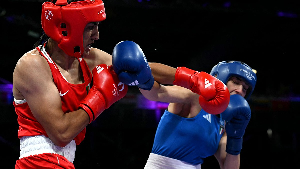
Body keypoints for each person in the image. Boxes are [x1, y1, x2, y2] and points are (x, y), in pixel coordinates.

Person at [12, 0, 127, 168]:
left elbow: (135, 68)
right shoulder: (33, 65)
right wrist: (100, 97)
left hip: (63, 162)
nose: (96, 35)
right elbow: (61, 133)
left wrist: (178, 76)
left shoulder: (88, 59)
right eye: (90, 27)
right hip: (39, 163)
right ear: (66, 27)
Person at [111, 41, 257, 169]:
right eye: (236, 82)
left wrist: (236, 137)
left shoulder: (225, 125)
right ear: (221, 79)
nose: (240, 90)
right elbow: (158, 93)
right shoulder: (195, 96)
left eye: (245, 89)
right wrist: (141, 76)